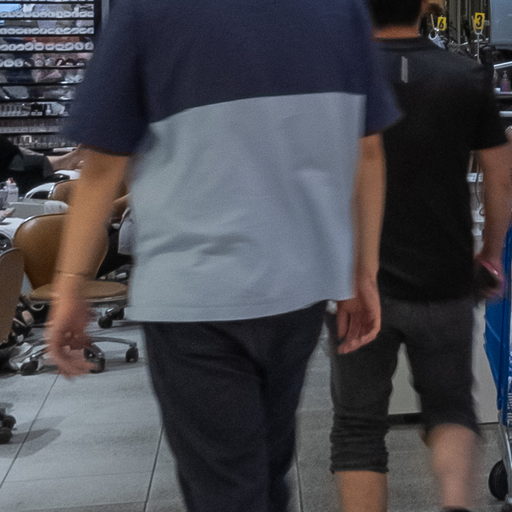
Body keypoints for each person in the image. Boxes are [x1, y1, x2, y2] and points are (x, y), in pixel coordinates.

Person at [44, 1, 399, 511]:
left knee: (226, 486)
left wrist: (70, 283)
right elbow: (368, 150)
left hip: (194, 293)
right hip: (298, 288)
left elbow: (102, 165)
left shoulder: (147, 12)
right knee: (267, 471)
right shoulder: (340, 11)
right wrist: (363, 271)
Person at [328, 1, 512, 512]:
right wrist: (491, 253)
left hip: (355, 282)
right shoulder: (466, 76)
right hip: (445, 277)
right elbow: (500, 177)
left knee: (358, 428)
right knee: (451, 408)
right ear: (427, 5)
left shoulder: (341, 76)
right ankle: (455, 504)